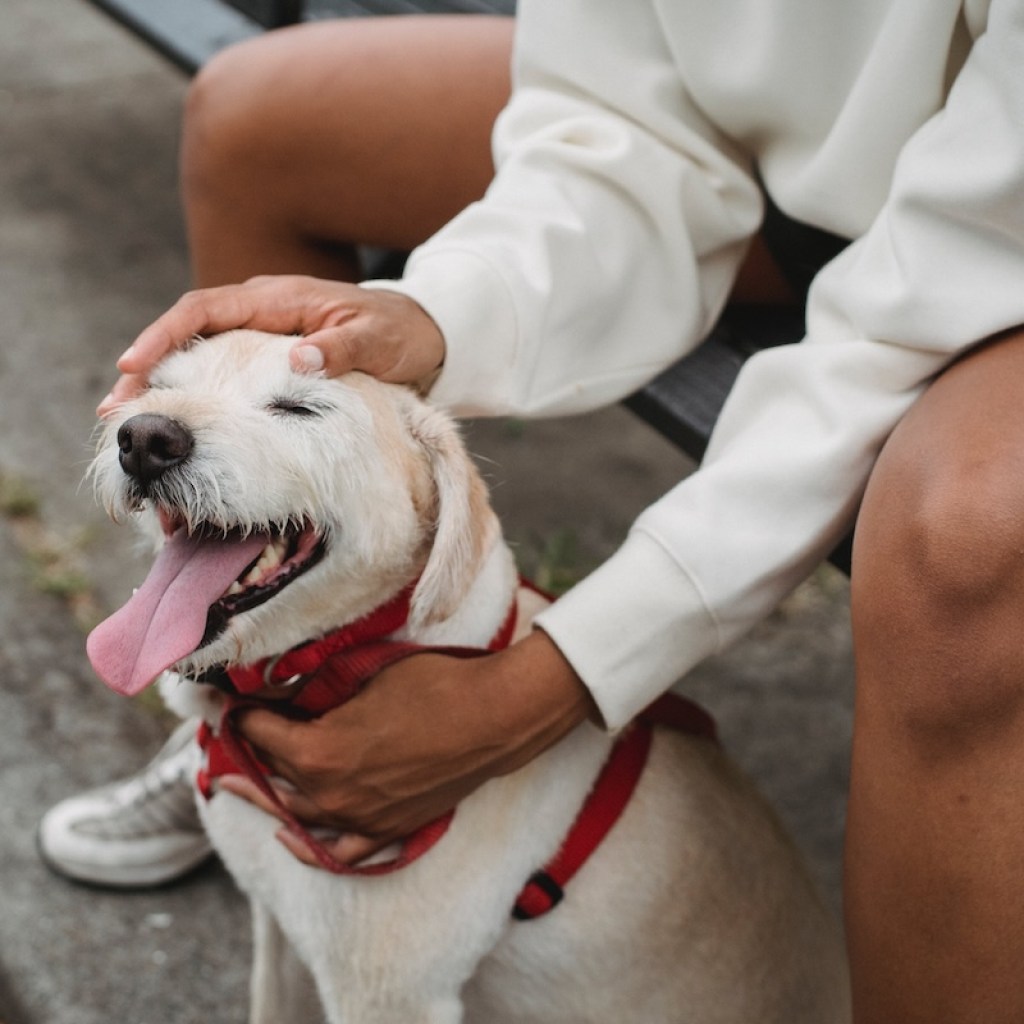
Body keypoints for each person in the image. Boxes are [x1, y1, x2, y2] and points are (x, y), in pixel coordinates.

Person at [37, 3, 1024, 1021]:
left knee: (968, 525)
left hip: (1002, 232)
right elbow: (614, 125)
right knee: (248, 117)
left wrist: (553, 678)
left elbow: (966, 257)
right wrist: (433, 316)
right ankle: (246, 695)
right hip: (799, 172)